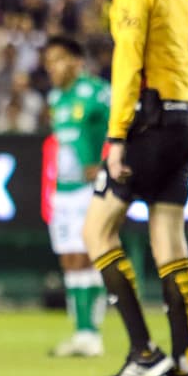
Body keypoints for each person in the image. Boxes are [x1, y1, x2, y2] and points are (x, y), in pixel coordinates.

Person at [83, 0, 188, 376]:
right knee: (168, 238)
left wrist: (116, 136)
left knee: (96, 230)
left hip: (152, 122)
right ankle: (183, 367)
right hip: (186, 117)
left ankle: (143, 353)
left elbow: (128, 62)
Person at [42, 36, 109, 358]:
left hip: (89, 189)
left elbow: (121, 128)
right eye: (48, 62)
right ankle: (81, 331)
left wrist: (104, 161)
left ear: (75, 61)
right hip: (63, 189)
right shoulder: (56, 98)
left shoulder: (97, 92)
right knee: (69, 259)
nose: (51, 67)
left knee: (87, 255)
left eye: (57, 60)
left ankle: (92, 332)